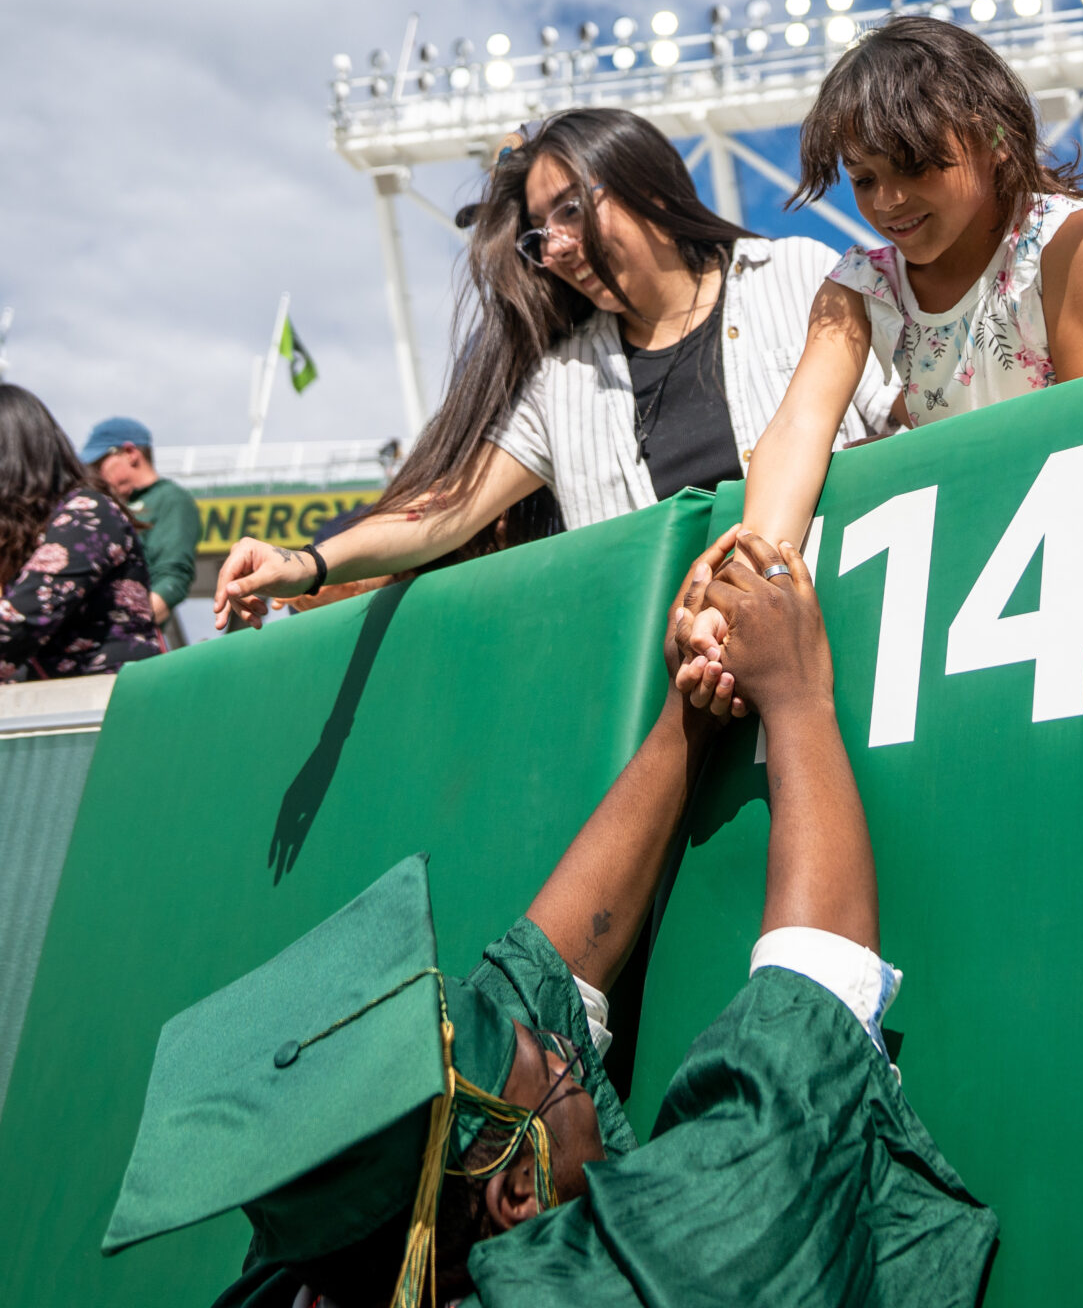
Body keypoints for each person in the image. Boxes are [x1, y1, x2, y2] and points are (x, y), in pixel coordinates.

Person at [105, 530, 997, 1306]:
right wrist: (797, 697)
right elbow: (803, 1042)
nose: (567, 1047)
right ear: (517, 1198)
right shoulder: (650, 1279)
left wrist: (685, 716)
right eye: (550, 1059)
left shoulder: (327, 1258)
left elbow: (534, 979)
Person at [211, 108, 896, 629]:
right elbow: (446, 511)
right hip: (671, 693)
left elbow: (909, 426)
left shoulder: (797, 275)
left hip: (839, 635)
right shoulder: (560, 379)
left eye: (571, 209)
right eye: (541, 234)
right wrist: (304, 564)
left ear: (649, 186)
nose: (556, 247)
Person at [679, 15, 1083, 674]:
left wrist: (916, 455)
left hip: (1070, 558)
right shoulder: (859, 285)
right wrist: (748, 589)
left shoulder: (1066, 241)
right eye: (863, 178)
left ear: (995, 137)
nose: (889, 200)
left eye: (915, 164)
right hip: (958, 557)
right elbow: (800, 427)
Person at [0, 387, 162, 680]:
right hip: (58, 699)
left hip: (112, 697)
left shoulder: (88, 514)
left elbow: (18, 624)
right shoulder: (29, 530)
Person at [82, 415, 201, 645]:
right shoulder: (108, 503)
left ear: (130, 453)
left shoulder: (170, 499)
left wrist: (123, 633)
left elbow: (173, 577)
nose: (95, 474)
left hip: (122, 645)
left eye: (99, 464)